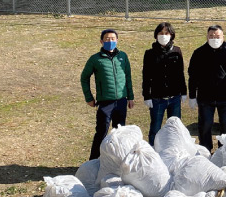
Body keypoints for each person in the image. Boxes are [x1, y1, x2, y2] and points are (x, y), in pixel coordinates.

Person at [80, 28, 135, 160]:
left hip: (121, 100)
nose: (110, 41)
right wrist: (89, 97)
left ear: (117, 40)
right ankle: (94, 161)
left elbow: (128, 76)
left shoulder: (123, 56)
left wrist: (130, 97)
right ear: (101, 41)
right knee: (101, 132)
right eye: (107, 39)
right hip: (105, 102)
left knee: (119, 133)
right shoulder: (95, 59)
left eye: (113, 39)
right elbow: (84, 77)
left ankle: (117, 160)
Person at [187, 25, 226, 152]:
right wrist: (192, 95)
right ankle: (205, 151)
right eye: (211, 36)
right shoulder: (199, 53)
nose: (214, 39)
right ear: (207, 37)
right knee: (205, 126)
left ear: (223, 36)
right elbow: (193, 76)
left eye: (217, 36)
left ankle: (224, 151)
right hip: (205, 98)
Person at [142, 22, 187, 145]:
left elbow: (180, 73)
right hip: (157, 98)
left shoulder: (177, 51)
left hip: (174, 97)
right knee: (155, 128)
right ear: (156, 35)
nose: (163, 36)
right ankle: (153, 150)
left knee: (175, 128)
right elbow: (146, 76)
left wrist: (183, 92)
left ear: (171, 35)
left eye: (166, 33)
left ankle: (175, 149)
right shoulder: (150, 54)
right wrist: (147, 95)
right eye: (160, 33)